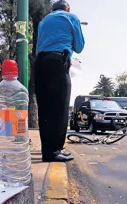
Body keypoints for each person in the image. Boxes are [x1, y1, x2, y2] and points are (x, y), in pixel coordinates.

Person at [35, 0, 85, 162]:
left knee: (45, 110)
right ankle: (55, 151)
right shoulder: (71, 17)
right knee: (60, 109)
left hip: (39, 64)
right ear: (67, 8)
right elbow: (79, 46)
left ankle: (47, 152)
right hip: (57, 64)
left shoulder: (44, 21)